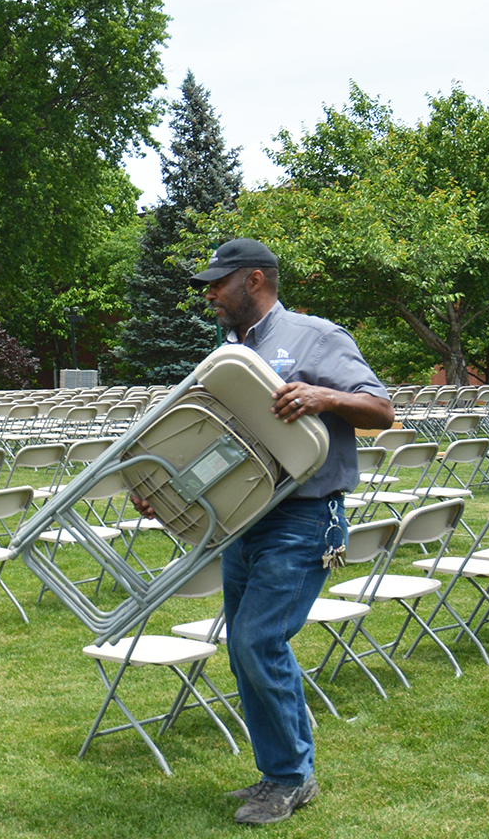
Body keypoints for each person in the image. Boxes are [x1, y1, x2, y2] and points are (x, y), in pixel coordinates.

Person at [144, 237, 392, 825]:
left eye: (217, 283)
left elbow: (380, 410)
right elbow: (213, 441)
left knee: (257, 641)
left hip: (304, 517)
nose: (209, 295)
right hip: (244, 518)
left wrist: (322, 396)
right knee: (243, 646)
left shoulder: (316, 336)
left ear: (254, 280)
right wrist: (162, 486)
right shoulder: (228, 353)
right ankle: (275, 773)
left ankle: (290, 777)